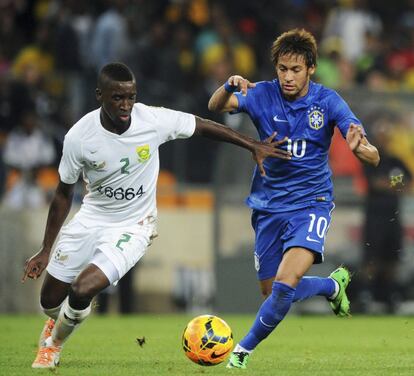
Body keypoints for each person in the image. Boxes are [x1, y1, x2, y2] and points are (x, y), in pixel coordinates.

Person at [21, 62, 291, 369]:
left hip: (135, 225)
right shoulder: (79, 137)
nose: (125, 106)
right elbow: (62, 193)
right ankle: (56, 323)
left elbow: (202, 125)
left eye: (130, 97)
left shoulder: (152, 120)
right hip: (92, 217)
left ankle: (52, 346)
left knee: (82, 289)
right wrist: (46, 249)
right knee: (50, 303)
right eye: (117, 98)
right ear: (99, 95)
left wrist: (251, 145)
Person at [208, 28, 380, 369]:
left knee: (285, 285)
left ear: (311, 68)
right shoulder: (261, 94)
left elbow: (372, 155)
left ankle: (241, 352)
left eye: (296, 69)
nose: (288, 76)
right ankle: (331, 287)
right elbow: (216, 106)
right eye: (282, 69)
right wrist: (228, 84)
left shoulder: (328, 101)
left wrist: (363, 149)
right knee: (272, 293)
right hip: (268, 206)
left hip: (311, 204)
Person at [361, 118, 412, 313]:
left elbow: (407, 183)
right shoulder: (370, 158)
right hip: (375, 216)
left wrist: (389, 183)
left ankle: (391, 295)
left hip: (393, 214)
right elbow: (376, 183)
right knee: (371, 257)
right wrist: (395, 184)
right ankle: (367, 295)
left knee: (392, 257)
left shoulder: (396, 161)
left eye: (386, 136)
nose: (384, 140)